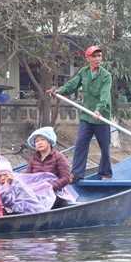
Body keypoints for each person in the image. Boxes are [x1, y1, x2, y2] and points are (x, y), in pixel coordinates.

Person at [51, 45, 112, 181]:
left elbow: (105, 95)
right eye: (94, 56)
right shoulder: (83, 72)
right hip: (86, 115)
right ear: (88, 58)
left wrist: (99, 110)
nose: (98, 59)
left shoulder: (106, 76)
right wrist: (59, 91)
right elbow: (72, 85)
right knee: (80, 143)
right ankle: (77, 174)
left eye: (99, 56)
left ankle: (105, 173)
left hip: (101, 116)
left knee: (104, 146)